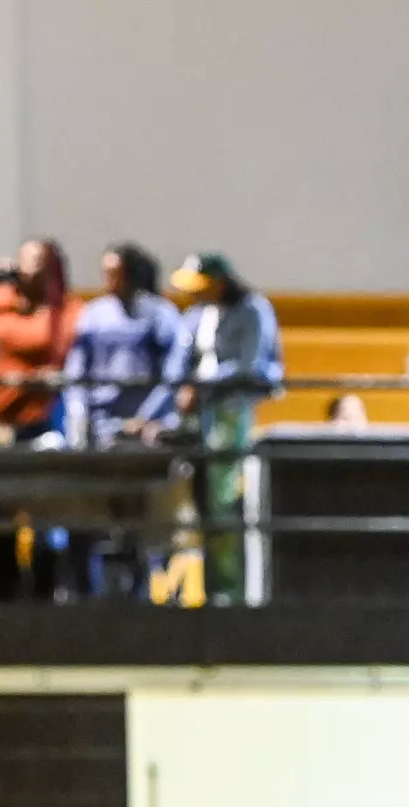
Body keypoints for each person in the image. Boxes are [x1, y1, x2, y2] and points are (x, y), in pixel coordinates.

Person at [165, 252, 283, 604]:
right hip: (196, 417)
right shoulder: (198, 314)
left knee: (224, 500)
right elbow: (180, 360)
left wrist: (200, 386)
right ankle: (204, 586)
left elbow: (249, 365)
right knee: (192, 502)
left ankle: (229, 591)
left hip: (230, 412)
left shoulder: (253, 311)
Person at [63, 244, 181, 450]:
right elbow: (77, 367)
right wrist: (79, 412)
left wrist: (146, 416)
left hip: (144, 423)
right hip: (101, 420)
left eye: (116, 274)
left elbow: (173, 371)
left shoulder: (159, 313)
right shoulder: (94, 314)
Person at [0, 240, 80, 443]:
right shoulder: (0, 300)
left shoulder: (66, 311)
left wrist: (31, 377)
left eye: (37, 261)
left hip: (38, 411)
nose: (26, 268)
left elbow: (62, 353)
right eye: (23, 260)